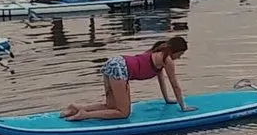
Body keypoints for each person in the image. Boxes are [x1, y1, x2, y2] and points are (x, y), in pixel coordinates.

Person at [61, 36, 190, 121]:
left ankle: (76, 107)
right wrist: (183, 107)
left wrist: (167, 99)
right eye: (181, 54)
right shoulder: (167, 59)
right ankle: (85, 115)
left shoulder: (157, 52)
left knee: (111, 105)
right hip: (121, 68)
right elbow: (175, 84)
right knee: (123, 113)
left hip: (114, 62)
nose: (180, 57)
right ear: (176, 51)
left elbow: (161, 79)